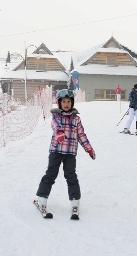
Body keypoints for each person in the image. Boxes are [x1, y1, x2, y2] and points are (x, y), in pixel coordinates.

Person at [34, 89, 96, 220]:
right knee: (50, 174)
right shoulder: (56, 116)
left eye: (69, 101)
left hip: (70, 153)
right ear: (59, 103)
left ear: (72, 103)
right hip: (56, 151)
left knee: (71, 176)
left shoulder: (77, 119)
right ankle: (41, 199)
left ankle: (75, 202)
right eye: (64, 102)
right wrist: (60, 133)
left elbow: (81, 135)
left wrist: (88, 148)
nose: (66, 104)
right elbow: (56, 126)